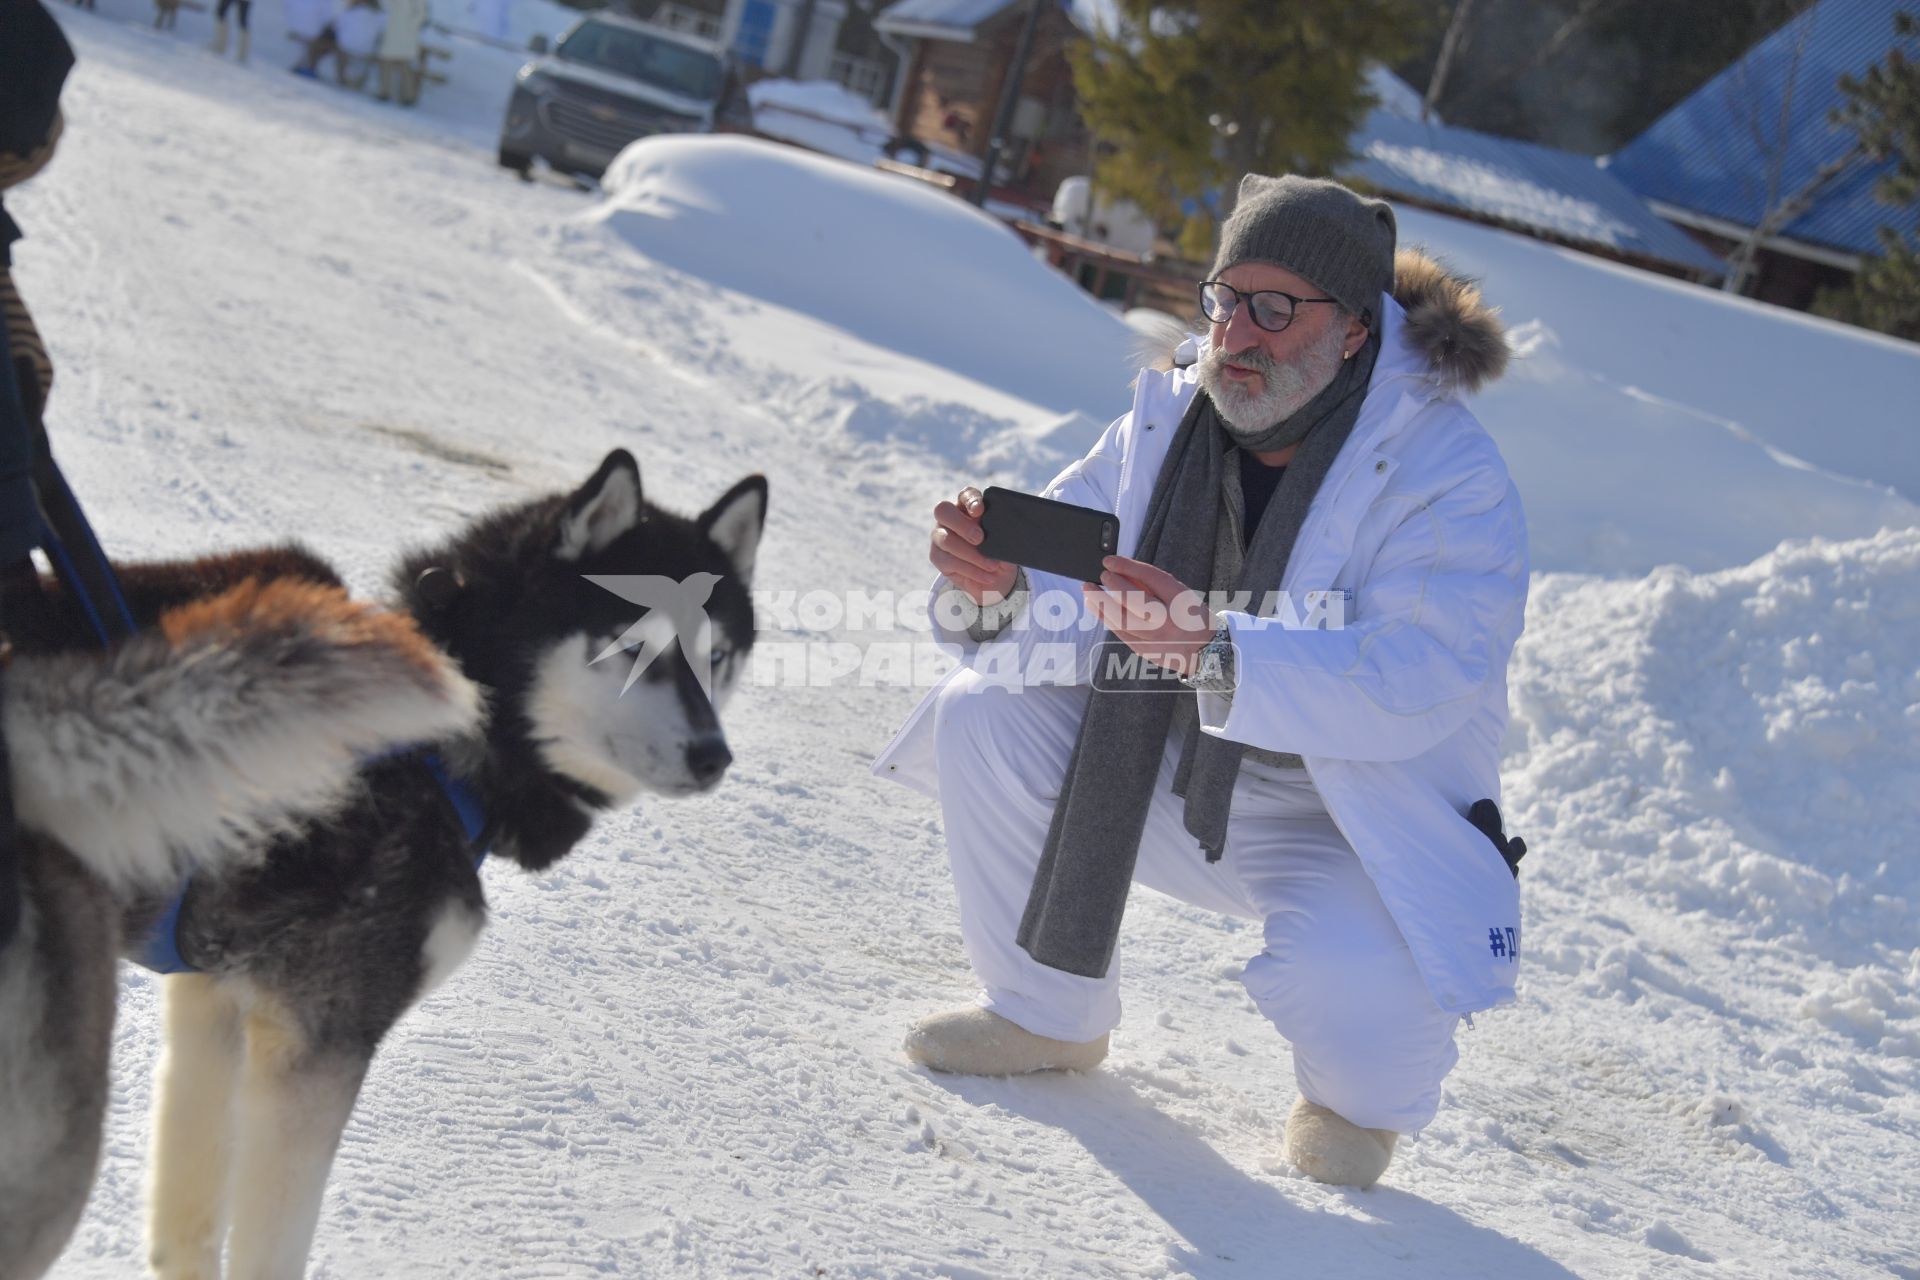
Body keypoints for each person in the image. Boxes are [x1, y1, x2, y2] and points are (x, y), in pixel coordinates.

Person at [872, 174, 1528, 1190]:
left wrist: (1213, 647)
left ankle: (1357, 1103)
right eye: (1226, 298)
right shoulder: (1169, 410)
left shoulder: (1447, 470)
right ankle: (1046, 1012)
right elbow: (1070, 583)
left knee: (1353, 987)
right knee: (984, 717)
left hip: (1343, 811)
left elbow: (1419, 674)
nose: (1238, 334)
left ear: (1354, 330)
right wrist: (998, 588)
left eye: (1276, 309)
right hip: (1166, 767)